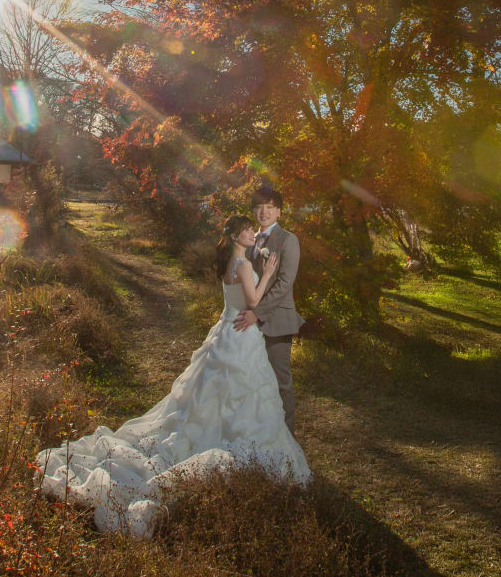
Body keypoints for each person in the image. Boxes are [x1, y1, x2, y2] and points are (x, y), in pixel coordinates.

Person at [34, 213, 311, 538]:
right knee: (243, 391)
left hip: (226, 330)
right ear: (236, 236)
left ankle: (216, 429)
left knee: (216, 392)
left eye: (252, 229)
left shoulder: (229, 262)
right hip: (241, 334)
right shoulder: (244, 264)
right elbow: (253, 300)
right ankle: (227, 437)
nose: (252, 232)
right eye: (247, 230)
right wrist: (269, 274)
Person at [232, 185, 305, 434]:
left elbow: (285, 283)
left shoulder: (288, 240)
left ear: (279, 212)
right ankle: (260, 434)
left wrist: (257, 313)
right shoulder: (249, 239)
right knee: (253, 380)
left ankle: (287, 439)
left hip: (276, 320)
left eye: (270, 207)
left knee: (280, 381)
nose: (264, 212)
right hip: (249, 321)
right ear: (254, 211)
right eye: (259, 207)